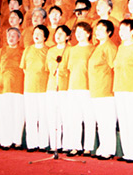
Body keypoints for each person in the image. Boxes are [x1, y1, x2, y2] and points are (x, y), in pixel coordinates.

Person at [113, 19, 133, 163]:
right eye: (120, 30)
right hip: (119, 88)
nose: (121, 33)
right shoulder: (120, 47)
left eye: (124, 30)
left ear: (132, 31)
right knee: (124, 121)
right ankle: (127, 152)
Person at [89, 20, 118, 159]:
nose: (98, 31)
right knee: (101, 122)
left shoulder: (110, 47)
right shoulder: (97, 47)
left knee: (107, 121)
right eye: (97, 29)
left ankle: (109, 150)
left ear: (109, 32)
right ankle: (102, 147)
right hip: (96, 90)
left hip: (106, 90)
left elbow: (114, 68)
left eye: (101, 29)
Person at [0, 27, 24, 149]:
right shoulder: (1, 51)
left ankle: (17, 141)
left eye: (14, 35)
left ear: (19, 38)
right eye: (9, 35)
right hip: (3, 88)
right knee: (5, 115)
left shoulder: (23, 51)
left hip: (19, 87)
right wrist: (3, 78)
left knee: (18, 115)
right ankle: (6, 141)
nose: (11, 37)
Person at [65, 22, 95, 156]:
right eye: (76, 32)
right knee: (74, 118)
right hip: (73, 87)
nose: (78, 34)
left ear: (88, 34)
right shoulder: (72, 50)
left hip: (87, 87)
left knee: (89, 118)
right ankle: (75, 146)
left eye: (81, 32)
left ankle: (88, 147)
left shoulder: (92, 49)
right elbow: (70, 68)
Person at [20, 25, 50, 151]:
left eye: (39, 33)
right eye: (35, 33)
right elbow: (24, 68)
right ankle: (32, 144)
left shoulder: (48, 51)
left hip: (43, 88)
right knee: (31, 117)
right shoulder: (28, 49)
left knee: (43, 117)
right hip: (29, 88)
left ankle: (43, 144)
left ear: (45, 37)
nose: (36, 36)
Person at [45, 25, 71, 153]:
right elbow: (50, 68)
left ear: (67, 36)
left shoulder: (71, 50)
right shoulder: (51, 51)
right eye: (57, 33)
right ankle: (55, 145)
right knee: (52, 117)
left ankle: (67, 144)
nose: (58, 36)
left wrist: (61, 69)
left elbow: (69, 68)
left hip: (65, 87)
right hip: (52, 87)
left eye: (61, 33)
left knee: (66, 117)